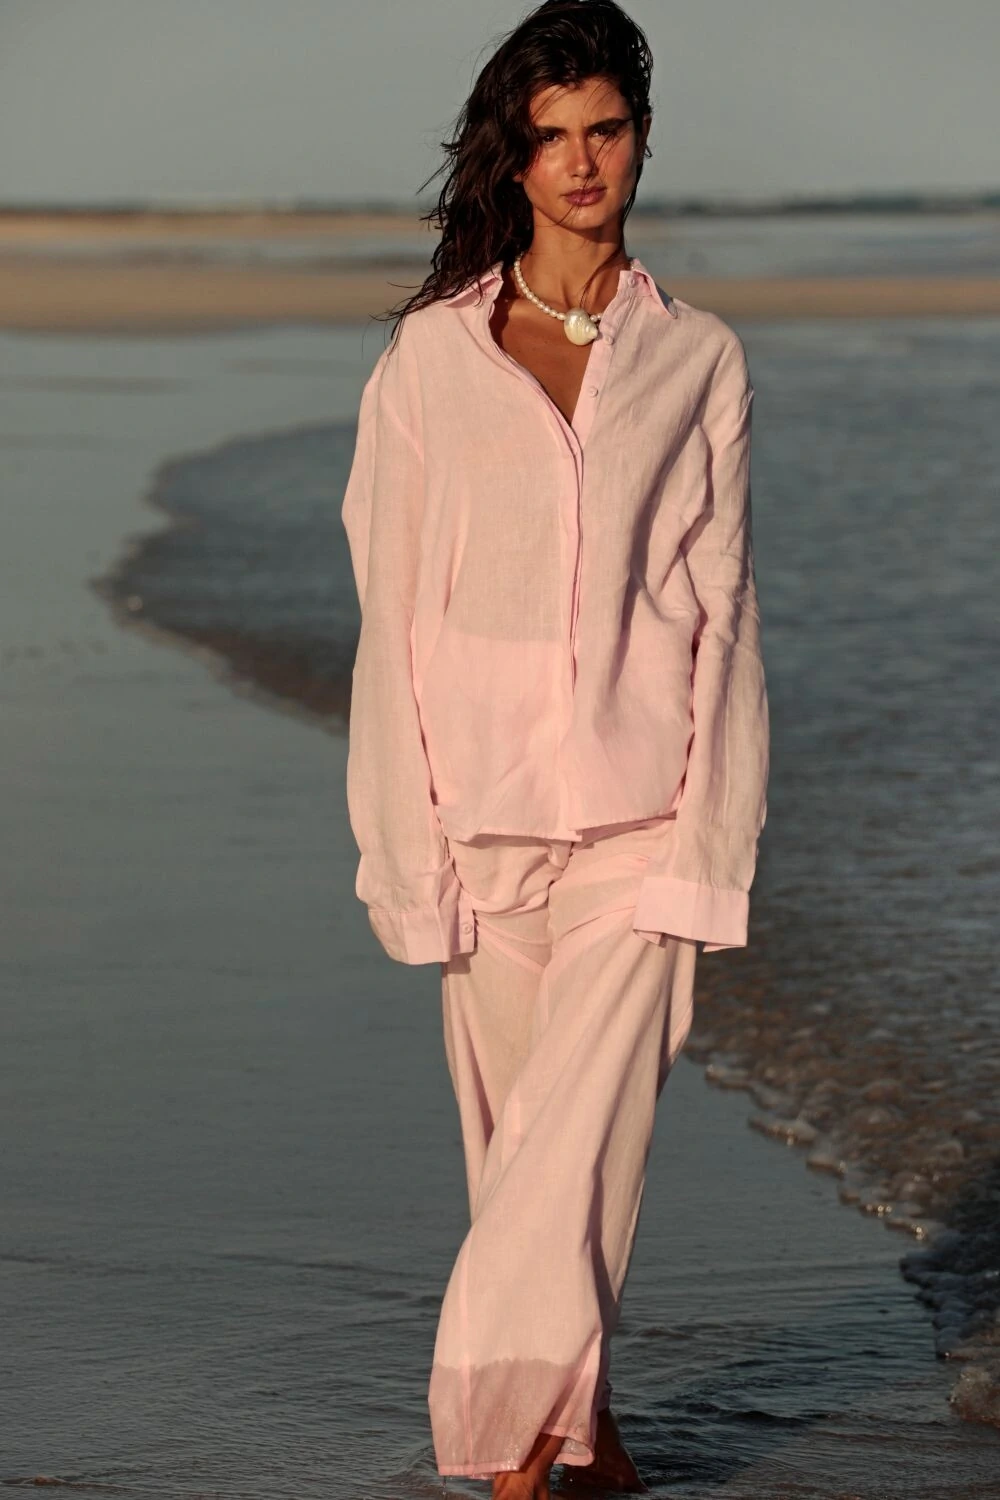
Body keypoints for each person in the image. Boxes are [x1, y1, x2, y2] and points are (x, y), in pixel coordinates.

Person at [340, 2, 769, 1495]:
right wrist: (404, 849)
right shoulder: (430, 363)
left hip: (642, 816)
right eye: (552, 137)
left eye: (607, 129)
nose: (584, 162)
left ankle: (512, 1459)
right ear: (512, 160)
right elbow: (392, 616)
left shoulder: (699, 359)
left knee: (577, 1146)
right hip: (481, 817)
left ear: (640, 139)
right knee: (527, 1163)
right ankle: (593, 1442)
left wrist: (714, 842)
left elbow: (723, 611)